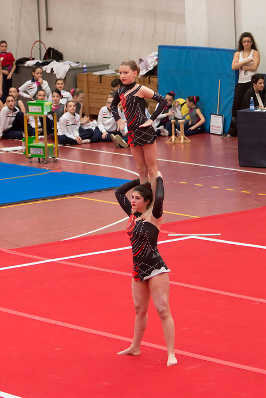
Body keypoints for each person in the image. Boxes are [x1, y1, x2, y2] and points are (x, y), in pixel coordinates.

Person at [114, 172, 177, 367]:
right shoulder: (133, 216)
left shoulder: (154, 216)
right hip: (138, 269)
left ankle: (171, 353)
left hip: (156, 268)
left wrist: (158, 179)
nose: (132, 200)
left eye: (137, 198)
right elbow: (118, 192)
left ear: (146, 201)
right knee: (139, 309)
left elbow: (159, 198)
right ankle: (135, 346)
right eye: (132, 197)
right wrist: (140, 181)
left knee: (163, 310)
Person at [111, 60, 167, 195]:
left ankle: (153, 201)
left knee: (152, 169)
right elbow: (113, 106)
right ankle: (145, 200)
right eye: (120, 73)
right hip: (132, 132)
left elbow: (163, 100)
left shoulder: (140, 89)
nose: (122, 76)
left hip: (145, 131)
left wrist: (151, 119)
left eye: (126, 72)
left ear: (134, 73)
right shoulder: (120, 91)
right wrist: (118, 119)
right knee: (141, 169)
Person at [226, 32, 260, 137]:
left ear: (251, 42)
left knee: (249, 105)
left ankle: (250, 131)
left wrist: (241, 65)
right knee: (236, 106)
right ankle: (233, 131)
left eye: (248, 41)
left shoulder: (255, 53)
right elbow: (233, 66)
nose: (246, 43)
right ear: (242, 42)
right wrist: (246, 62)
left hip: (251, 82)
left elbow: (254, 67)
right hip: (241, 82)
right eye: (244, 41)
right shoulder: (238, 53)